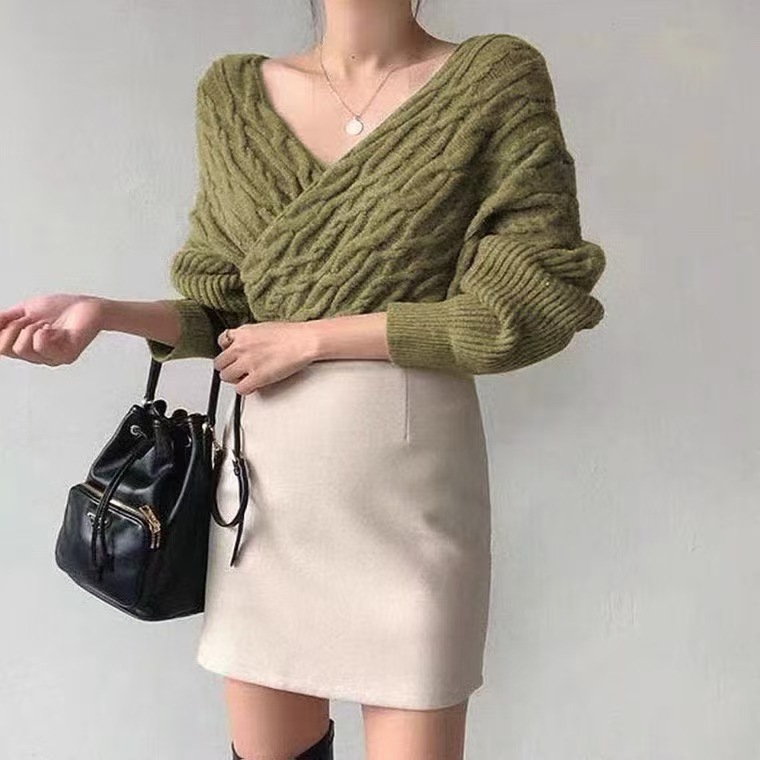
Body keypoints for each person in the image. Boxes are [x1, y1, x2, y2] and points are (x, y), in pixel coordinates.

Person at [0, 1, 607, 758]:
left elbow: (527, 303)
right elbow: (225, 309)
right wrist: (105, 315)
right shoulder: (232, 95)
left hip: (410, 494)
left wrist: (315, 339)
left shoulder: (494, 79)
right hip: (264, 504)